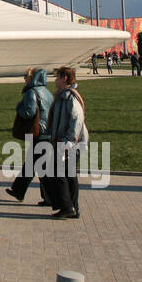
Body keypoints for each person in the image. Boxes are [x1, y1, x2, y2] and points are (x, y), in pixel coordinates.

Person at [44, 66, 88, 219]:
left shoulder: (70, 97)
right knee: (69, 175)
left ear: (65, 79)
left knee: (58, 172)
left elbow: (77, 119)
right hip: (65, 141)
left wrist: (68, 142)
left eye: (58, 77)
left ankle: (67, 207)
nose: (55, 80)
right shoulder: (62, 96)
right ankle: (73, 208)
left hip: (68, 143)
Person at [6, 67, 54, 204]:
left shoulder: (31, 93)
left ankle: (48, 197)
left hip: (38, 132)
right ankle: (20, 191)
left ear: (32, 78)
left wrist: (18, 107)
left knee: (38, 166)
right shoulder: (47, 92)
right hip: (46, 133)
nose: (24, 78)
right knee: (36, 165)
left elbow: (29, 112)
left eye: (26, 76)